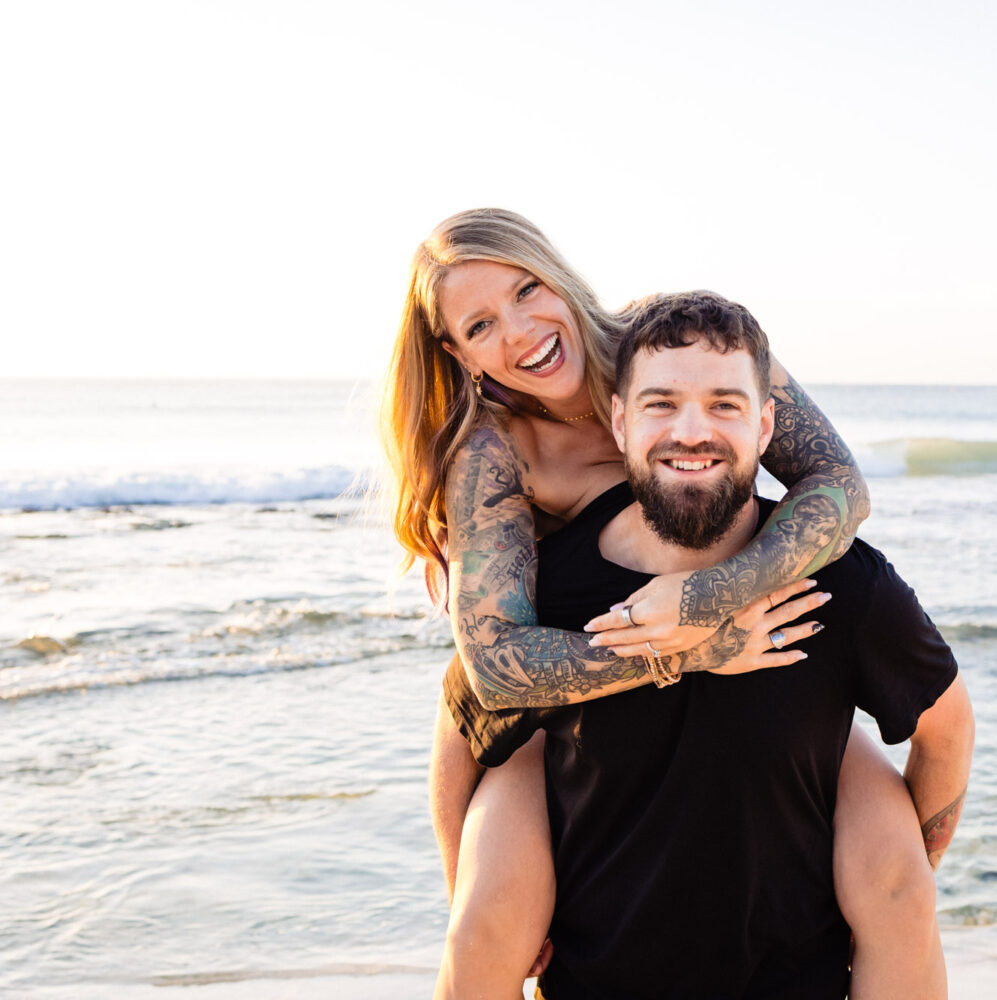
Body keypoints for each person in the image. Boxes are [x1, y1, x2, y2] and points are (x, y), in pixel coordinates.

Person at [378, 210, 959, 999]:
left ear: (558, 274)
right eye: (481, 325)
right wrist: (691, 650)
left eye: (526, 291)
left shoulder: (672, 340)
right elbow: (493, 670)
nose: (519, 332)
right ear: (457, 352)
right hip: (576, 657)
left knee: (896, 882)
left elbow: (840, 487)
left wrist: (707, 599)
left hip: (734, 635)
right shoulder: (495, 449)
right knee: (478, 883)